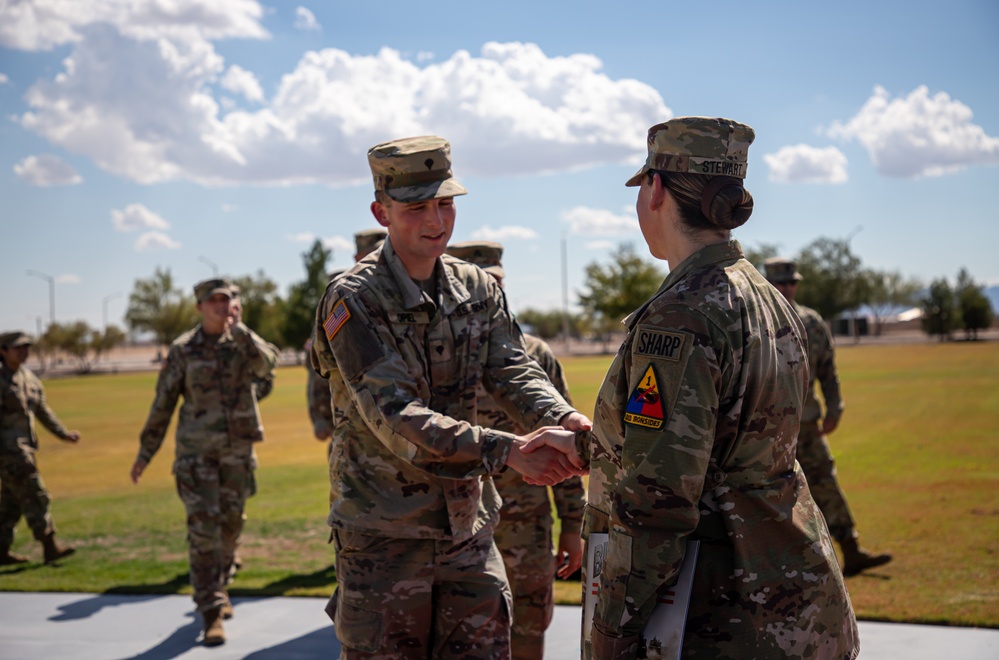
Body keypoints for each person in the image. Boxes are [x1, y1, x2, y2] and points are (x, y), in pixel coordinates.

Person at [574, 117, 859, 658]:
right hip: (797, 598)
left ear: (655, 190)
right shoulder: (767, 298)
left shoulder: (679, 317)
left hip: (724, 614)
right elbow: (729, 441)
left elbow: (659, 500)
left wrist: (610, 630)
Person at [310, 135, 590, 658]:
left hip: (469, 530)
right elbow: (394, 416)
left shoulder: (478, 287)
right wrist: (507, 450)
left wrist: (565, 418)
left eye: (446, 204)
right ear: (382, 212)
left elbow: (512, 367)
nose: (436, 221)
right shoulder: (353, 298)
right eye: (417, 208)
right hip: (384, 539)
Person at [446, 240, 585, 660]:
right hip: (462, 527)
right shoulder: (441, 357)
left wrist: (573, 524)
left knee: (528, 627)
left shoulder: (535, 355)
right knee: (463, 635)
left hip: (527, 524)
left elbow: (566, 447)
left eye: (496, 282)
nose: (488, 292)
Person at [130, 278, 278, 647]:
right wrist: (145, 453)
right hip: (196, 456)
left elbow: (266, 369)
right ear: (199, 306)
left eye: (227, 299)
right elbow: (163, 403)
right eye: (213, 300)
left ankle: (221, 587)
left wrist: (241, 330)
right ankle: (210, 611)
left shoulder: (244, 343)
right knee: (203, 531)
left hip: (237, 454)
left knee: (230, 527)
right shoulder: (183, 350)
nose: (221, 305)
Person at [765, 257, 893, 577]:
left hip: (805, 424)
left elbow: (828, 371)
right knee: (768, 493)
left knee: (824, 482)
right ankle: (777, 563)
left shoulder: (811, 321)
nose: (786, 288)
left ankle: (851, 550)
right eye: (779, 282)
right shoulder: (755, 319)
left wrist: (835, 408)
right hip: (764, 428)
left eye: (791, 282)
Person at [0, 331, 79, 565]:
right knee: (36, 495)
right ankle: (49, 545)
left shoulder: (29, 378)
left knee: (11, 503)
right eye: (18, 348)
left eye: (27, 348)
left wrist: (63, 433)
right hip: (9, 452)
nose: (24, 352)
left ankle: (1, 551)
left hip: (25, 448)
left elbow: (43, 411)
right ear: (2, 351)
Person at [307, 228, 387, 444]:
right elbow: (323, 367)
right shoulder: (342, 295)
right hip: (355, 428)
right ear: (357, 257)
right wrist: (320, 417)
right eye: (372, 251)